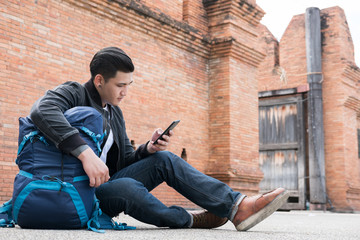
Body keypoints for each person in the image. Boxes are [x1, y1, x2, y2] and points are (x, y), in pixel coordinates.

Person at [30, 47, 289, 231]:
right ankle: (189, 219)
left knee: (163, 158)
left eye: (129, 85)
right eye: (121, 85)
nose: (125, 92)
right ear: (99, 80)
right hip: (73, 191)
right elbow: (42, 110)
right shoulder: (73, 93)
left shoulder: (115, 113)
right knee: (128, 189)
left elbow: (122, 165)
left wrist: (147, 149)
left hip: (105, 187)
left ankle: (237, 207)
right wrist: (85, 155)